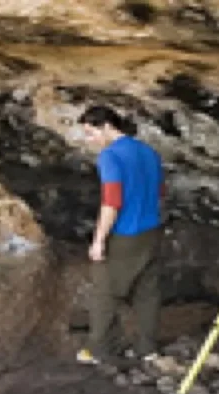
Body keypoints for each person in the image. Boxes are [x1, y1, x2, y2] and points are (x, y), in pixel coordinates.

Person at [76, 105, 165, 366]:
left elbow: (112, 202)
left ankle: (99, 349)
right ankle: (147, 348)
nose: (89, 140)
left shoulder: (110, 156)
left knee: (104, 292)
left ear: (106, 127)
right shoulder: (149, 152)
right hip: (151, 229)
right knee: (147, 292)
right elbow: (161, 192)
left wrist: (98, 240)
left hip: (124, 234)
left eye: (91, 133)